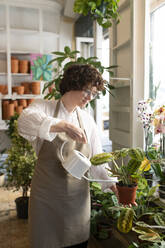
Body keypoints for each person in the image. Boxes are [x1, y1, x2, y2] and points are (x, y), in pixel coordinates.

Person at [18, 64, 117, 248]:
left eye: (94, 94)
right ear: (73, 84)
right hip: (46, 198)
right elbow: (23, 122)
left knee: (76, 243)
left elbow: (97, 160)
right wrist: (63, 126)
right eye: (87, 91)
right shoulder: (44, 107)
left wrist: (113, 186)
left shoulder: (87, 120)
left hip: (76, 200)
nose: (90, 97)